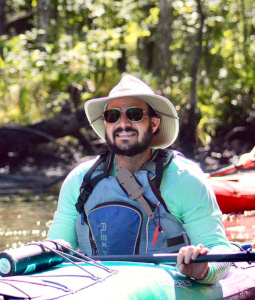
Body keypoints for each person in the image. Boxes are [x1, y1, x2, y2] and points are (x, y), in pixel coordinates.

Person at [48, 74, 232, 284]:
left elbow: (219, 250)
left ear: (154, 124)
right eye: (112, 116)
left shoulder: (185, 178)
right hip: (95, 288)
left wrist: (204, 269)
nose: (123, 123)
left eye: (134, 114)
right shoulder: (80, 180)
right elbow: (57, 248)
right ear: (106, 124)